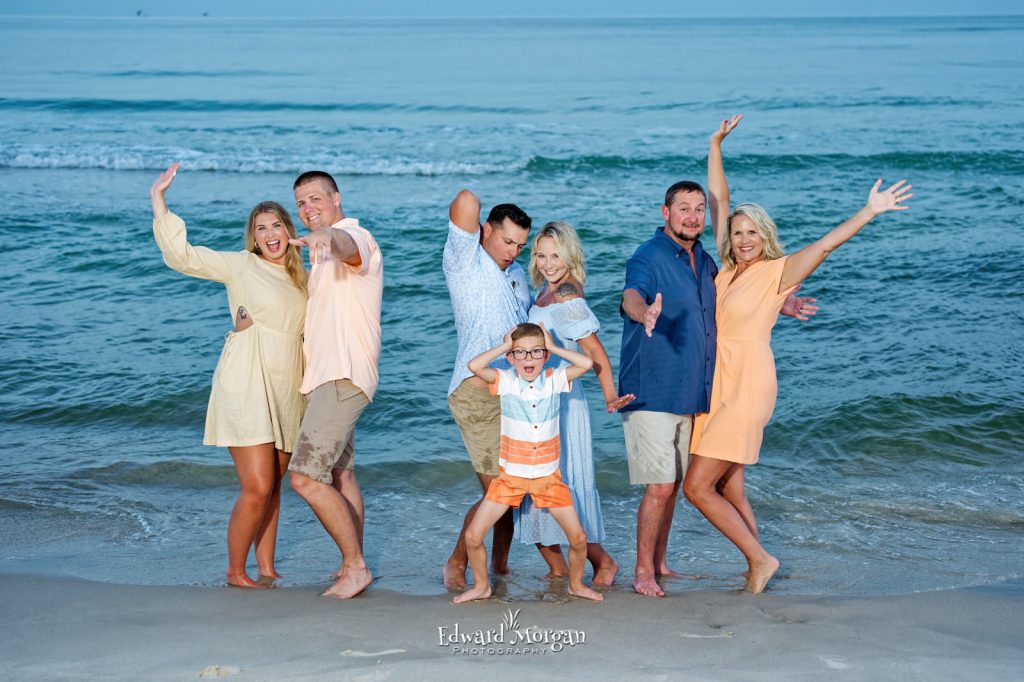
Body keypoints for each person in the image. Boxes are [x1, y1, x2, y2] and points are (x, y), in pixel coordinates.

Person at [685, 115, 912, 593]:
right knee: (731, 487)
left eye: (752, 233)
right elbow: (719, 199)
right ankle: (758, 567)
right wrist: (714, 144)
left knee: (697, 487)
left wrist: (868, 211)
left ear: (766, 236)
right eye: (739, 233)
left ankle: (761, 559)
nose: (744, 239)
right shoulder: (726, 270)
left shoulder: (778, 272)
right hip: (716, 380)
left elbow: (826, 245)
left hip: (747, 382)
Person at [618, 156, 817, 598]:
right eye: (682, 208)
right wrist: (642, 312)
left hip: (701, 392)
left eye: (698, 209)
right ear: (664, 213)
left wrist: (775, 303)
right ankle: (645, 572)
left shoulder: (707, 262)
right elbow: (631, 294)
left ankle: (710, 562)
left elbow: (739, 296)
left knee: (701, 485)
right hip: (651, 390)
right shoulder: (648, 256)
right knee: (665, 486)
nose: (692, 215)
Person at [150, 163, 307, 589]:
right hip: (247, 379)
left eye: (276, 225)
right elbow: (184, 257)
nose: (269, 234)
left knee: (274, 486)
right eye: (261, 228)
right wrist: (159, 201)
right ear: (252, 237)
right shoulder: (240, 265)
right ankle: (236, 571)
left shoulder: (303, 279)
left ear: (289, 231)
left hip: (289, 386)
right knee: (257, 486)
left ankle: (268, 567)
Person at [516, 221, 633, 586]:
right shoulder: (544, 291)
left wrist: (610, 395)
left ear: (570, 256)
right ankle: (559, 568)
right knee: (540, 485)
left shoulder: (567, 294)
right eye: (542, 255)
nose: (549, 263)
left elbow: (595, 352)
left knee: (557, 484)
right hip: (537, 401)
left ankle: (604, 563)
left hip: (563, 404)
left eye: (556, 255)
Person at [453, 323, 603, 604]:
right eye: (520, 353)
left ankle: (576, 585)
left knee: (579, 538)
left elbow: (586, 362)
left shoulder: (554, 378)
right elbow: (474, 365)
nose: (528, 359)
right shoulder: (506, 381)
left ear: (545, 356)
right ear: (511, 357)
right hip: (510, 478)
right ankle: (482, 586)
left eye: (536, 352)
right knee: (473, 535)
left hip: (549, 479)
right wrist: (504, 345)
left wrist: (554, 345)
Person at [285, 170, 383, 599]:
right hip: (328, 378)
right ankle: (351, 561)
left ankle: (357, 568)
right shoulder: (321, 256)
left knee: (305, 478)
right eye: (301, 203)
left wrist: (327, 235)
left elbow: (347, 248)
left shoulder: (354, 236)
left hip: (342, 377)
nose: (308, 208)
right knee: (341, 475)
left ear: (336, 198)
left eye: (315, 199)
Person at [442, 190, 532, 589]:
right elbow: (465, 200)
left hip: (514, 394)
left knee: (510, 491)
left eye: (520, 245)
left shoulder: (517, 276)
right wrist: (475, 229)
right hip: (476, 391)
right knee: (500, 490)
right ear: (486, 231)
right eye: (506, 240)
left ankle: (499, 566)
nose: (513, 251)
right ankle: (456, 563)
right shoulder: (466, 262)